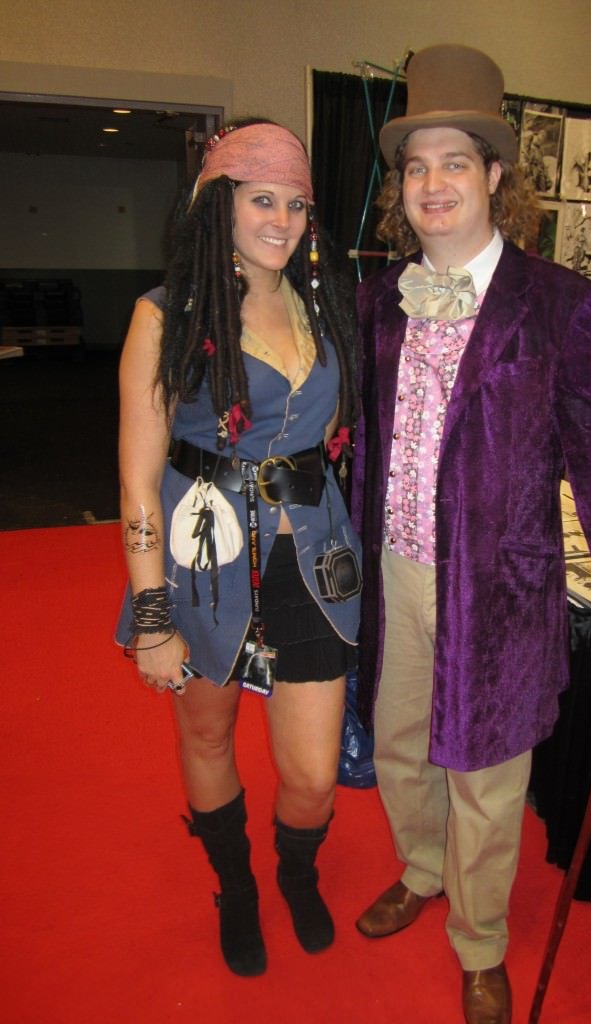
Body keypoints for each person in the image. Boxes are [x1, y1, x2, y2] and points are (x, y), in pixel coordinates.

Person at [350, 44, 591, 1024]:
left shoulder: (563, 305)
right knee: (401, 746)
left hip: (499, 586)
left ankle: (480, 938)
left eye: (455, 162)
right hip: (393, 567)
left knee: (486, 773)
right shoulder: (378, 299)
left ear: (494, 175)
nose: (432, 184)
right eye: (416, 166)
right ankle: (420, 867)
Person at [115, 118, 361, 977]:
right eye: (261, 200)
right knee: (210, 735)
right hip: (203, 561)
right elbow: (138, 481)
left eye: (296, 204)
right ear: (217, 204)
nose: (281, 221)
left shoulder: (326, 304)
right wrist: (152, 615)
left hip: (312, 558)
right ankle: (236, 885)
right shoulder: (165, 317)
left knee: (314, 773)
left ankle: (296, 871)